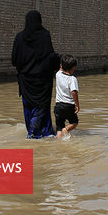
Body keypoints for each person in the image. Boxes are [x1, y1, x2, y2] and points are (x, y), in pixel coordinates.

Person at [12, 10, 59, 139]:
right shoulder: (44, 35)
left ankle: (33, 131)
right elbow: (49, 57)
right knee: (42, 107)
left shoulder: (19, 37)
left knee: (28, 107)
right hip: (42, 81)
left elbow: (14, 60)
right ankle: (38, 132)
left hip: (25, 82)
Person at [54, 54, 80, 139]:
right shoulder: (72, 79)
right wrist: (77, 105)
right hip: (69, 106)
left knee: (59, 127)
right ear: (73, 68)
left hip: (58, 106)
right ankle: (66, 129)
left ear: (61, 66)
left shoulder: (58, 74)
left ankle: (58, 142)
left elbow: (60, 68)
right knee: (75, 122)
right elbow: (74, 92)